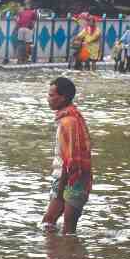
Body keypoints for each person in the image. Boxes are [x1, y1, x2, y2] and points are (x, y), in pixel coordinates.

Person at [42, 77, 92, 235]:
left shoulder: (68, 122)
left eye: (51, 95)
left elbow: (69, 160)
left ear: (62, 97)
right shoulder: (71, 117)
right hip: (70, 178)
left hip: (72, 179)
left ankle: (66, 257)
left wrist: (61, 189)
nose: (48, 99)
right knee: (51, 224)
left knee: (66, 229)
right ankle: (62, 257)